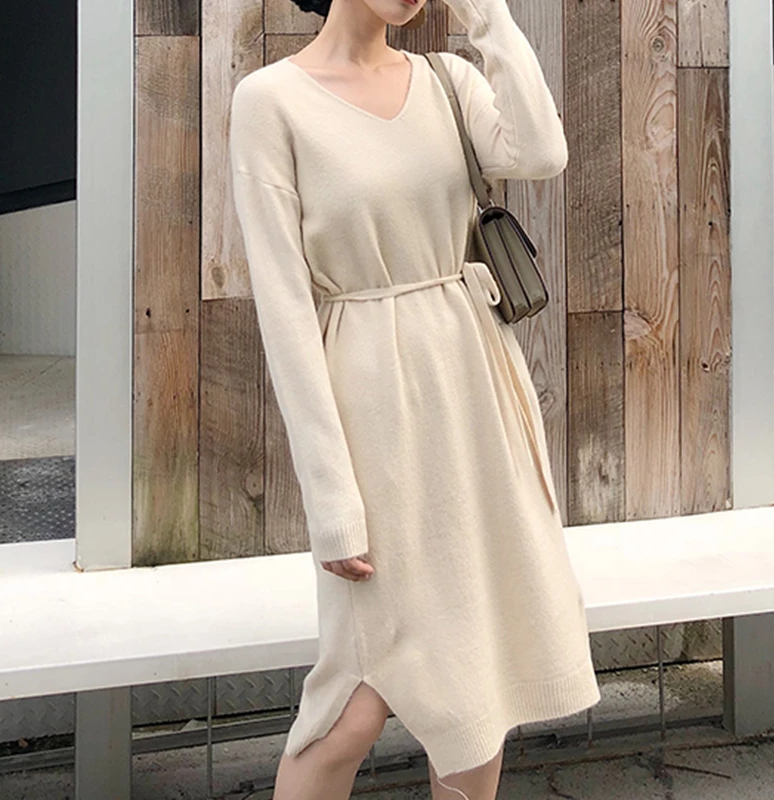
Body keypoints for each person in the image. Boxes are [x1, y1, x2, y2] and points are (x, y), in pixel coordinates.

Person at [228, 0, 602, 794]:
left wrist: (487, 16)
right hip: (372, 416)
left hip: (475, 394)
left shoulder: (448, 79)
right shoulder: (270, 102)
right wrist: (331, 499)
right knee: (354, 703)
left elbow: (542, 151)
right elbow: (286, 314)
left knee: (479, 680)